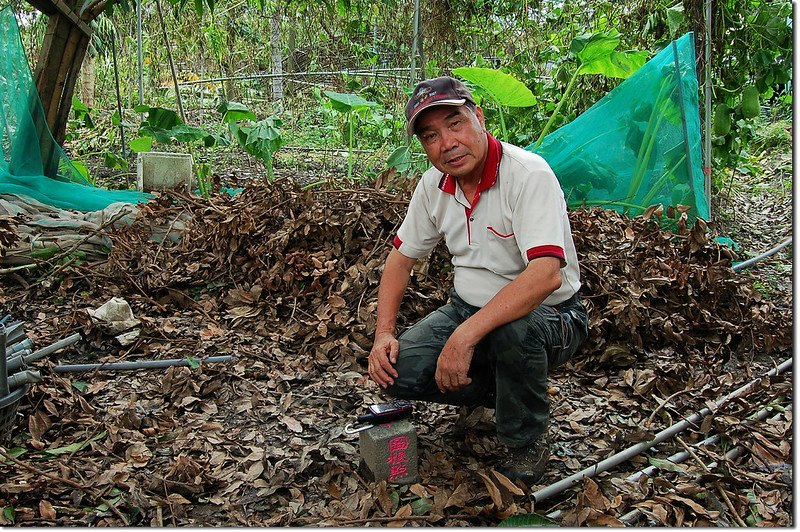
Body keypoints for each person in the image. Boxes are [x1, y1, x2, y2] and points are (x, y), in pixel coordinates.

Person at [367, 76, 589, 485]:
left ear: (479, 118)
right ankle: (508, 392)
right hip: (466, 307)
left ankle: (526, 442)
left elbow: (544, 276)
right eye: (431, 135)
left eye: (455, 124)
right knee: (397, 371)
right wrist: (384, 333)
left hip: (552, 316)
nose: (447, 143)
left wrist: (464, 337)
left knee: (514, 333)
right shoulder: (435, 185)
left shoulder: (527, 175)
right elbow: (400, 259)